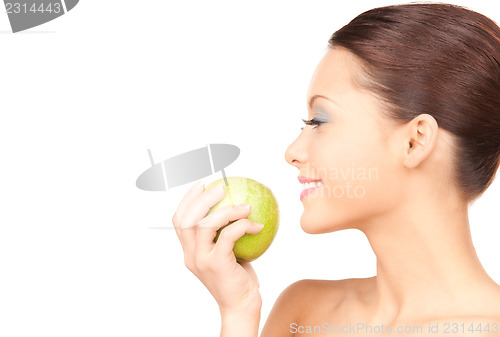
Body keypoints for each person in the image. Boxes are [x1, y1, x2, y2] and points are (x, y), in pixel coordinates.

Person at [172, 3, 500, 336]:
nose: (293, 152)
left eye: (319, 121)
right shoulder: (303, 313)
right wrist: (238, 312)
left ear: (414, 141)